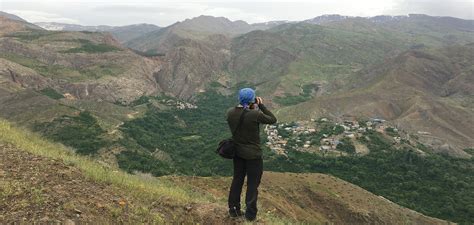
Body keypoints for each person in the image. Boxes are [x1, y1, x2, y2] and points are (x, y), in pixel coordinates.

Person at [226, 88, 277, 221]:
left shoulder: (230, 113)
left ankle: (233, 209)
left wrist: (251, 106)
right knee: (252, 185)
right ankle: (250, 215)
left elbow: (241, 114)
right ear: (252, 100)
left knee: (237, 180)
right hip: (253, 156)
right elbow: (272, 119)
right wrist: (260, 105)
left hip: (237, 153)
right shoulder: (255, 114)